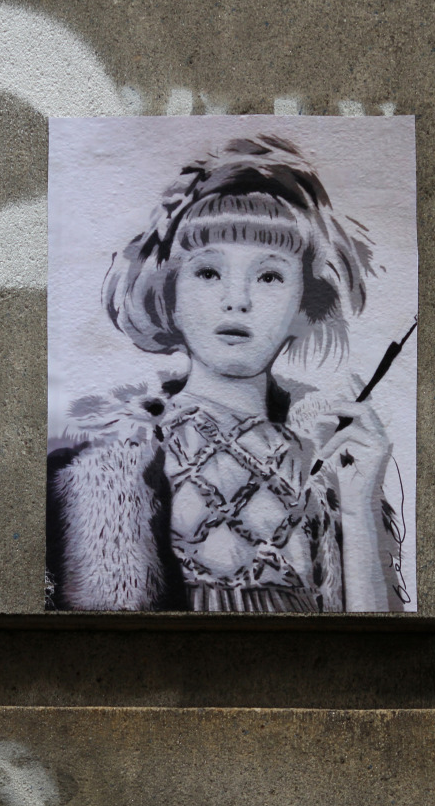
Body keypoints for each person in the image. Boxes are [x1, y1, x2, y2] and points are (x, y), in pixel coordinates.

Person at [46, 134, 395, 613]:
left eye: (269, 276)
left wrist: (358, 508)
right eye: (208, 273)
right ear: (168, 292)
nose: (238, 300)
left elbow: (375, 664)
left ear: (302, 305)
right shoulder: (112, 463)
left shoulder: (326, 468)